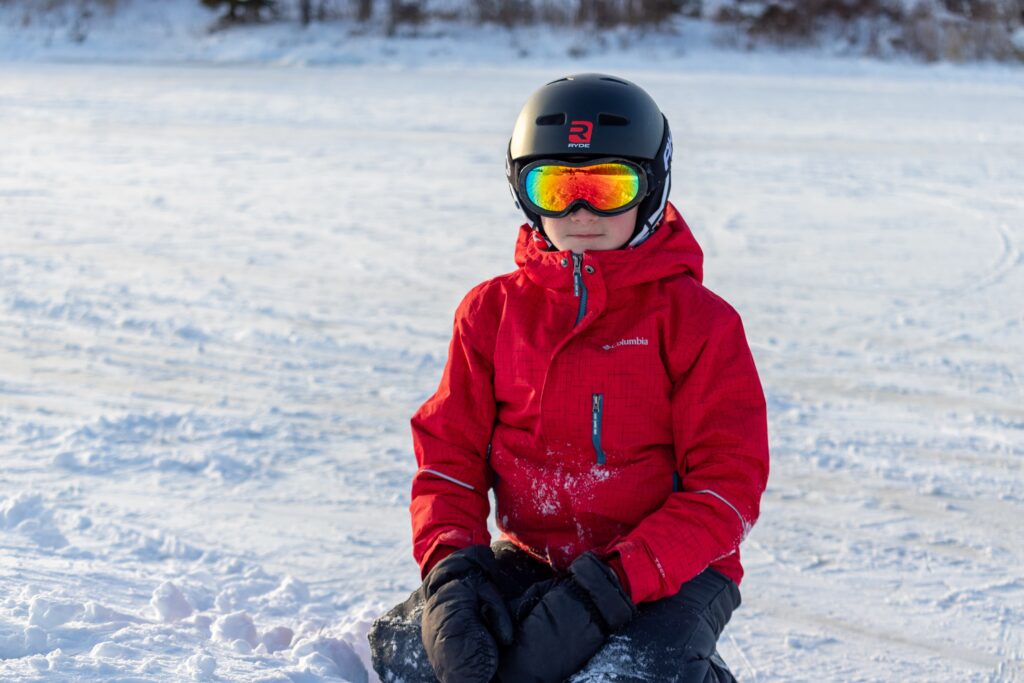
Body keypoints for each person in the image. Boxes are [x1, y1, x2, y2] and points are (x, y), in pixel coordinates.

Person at [369, 73, 769, 683]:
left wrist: (609, 587)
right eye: (556, 187)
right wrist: (452, 570)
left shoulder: (699, 323)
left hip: (672, 570)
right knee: (415, 655)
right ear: (525, 191)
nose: (580, 212)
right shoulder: (491, 312)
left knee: (621, 674)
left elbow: (726, 489)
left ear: (651, 187)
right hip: (538, 556)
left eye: (607, 186)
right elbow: (448, 458)